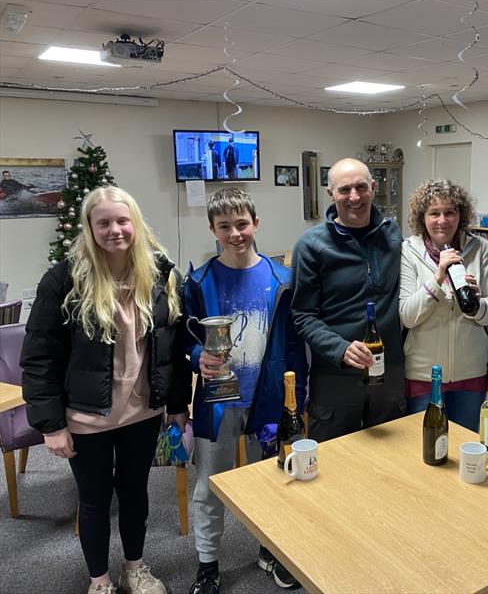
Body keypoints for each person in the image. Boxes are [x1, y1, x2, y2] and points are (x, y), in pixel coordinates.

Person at [21, 186, 191, 594]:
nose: (115, 230)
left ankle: (135, 568)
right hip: (86, 416)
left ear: (135, 223)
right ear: (90, 227)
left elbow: (175, 348)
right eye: (104, 223)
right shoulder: (65, 280)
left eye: (122, 220)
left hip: (142, 412)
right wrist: (51, 424)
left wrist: (177, 403)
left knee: (135, 494)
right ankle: (100, 581)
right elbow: (39, 357)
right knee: (94, 501)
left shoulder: (161, 273)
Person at [183, 187, 308, 594]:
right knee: (209, 487)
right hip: (217, 403)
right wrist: (196, 355)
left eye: (242, 224)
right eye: (225, 227)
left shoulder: (282, 280)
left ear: (255, 222)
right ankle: (207, 565)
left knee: (274, 482)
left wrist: (297, 399)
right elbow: (182, 338)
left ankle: (269, 548)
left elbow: (293, 347)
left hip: (269, 400)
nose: (235, 233)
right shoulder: (199, 282)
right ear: (212, 230)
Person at [291, 157, 404, 442]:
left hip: (388, 373)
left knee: (392, 461)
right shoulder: (311, 245)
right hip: (335, 377)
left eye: (361, 187)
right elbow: (303, 315)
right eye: (344, 190)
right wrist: (340, 349)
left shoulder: (393, 235)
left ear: (373, 187)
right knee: (332, 465)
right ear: (330, 194)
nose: (354, 197)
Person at [399, 178, 488, 431]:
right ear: (422, 217)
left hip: (471, 370)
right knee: (425, 447)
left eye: (450, 212)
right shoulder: (408, 250)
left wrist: (476, 306)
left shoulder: (480, 248)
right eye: (434, 213)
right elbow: (407, 316)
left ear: (460, 215)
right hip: (423, 373)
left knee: (466, 448)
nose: (442, 221)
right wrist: (437, 279)